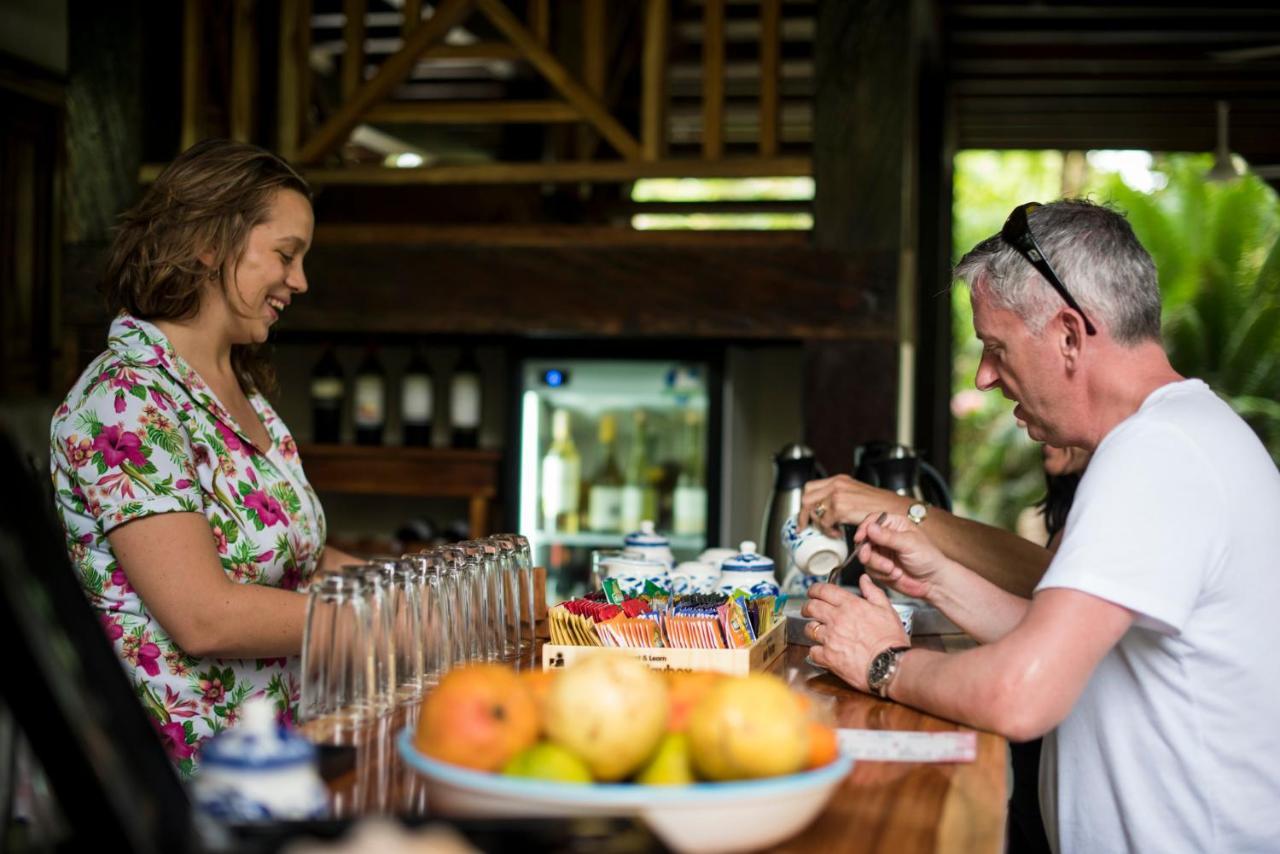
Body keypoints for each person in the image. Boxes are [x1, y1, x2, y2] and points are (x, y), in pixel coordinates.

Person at [800, 199, 1280, 853]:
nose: (984, 376)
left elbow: (1023, 693)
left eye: (996, 348)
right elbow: (1072, 648)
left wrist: (883, 662)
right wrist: (938, 578)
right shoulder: (1185, 434)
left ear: (1068, 335)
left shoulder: (1157, 452)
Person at [49, 139, 357, 778]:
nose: (299, 281)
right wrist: (384, 623)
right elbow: (203, 616)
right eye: (286, 254)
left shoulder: (239, 390)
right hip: (187, 771)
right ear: (210, 243)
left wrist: (430, 589)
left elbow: (294, 554)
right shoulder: (126, 397)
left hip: (277, 745)